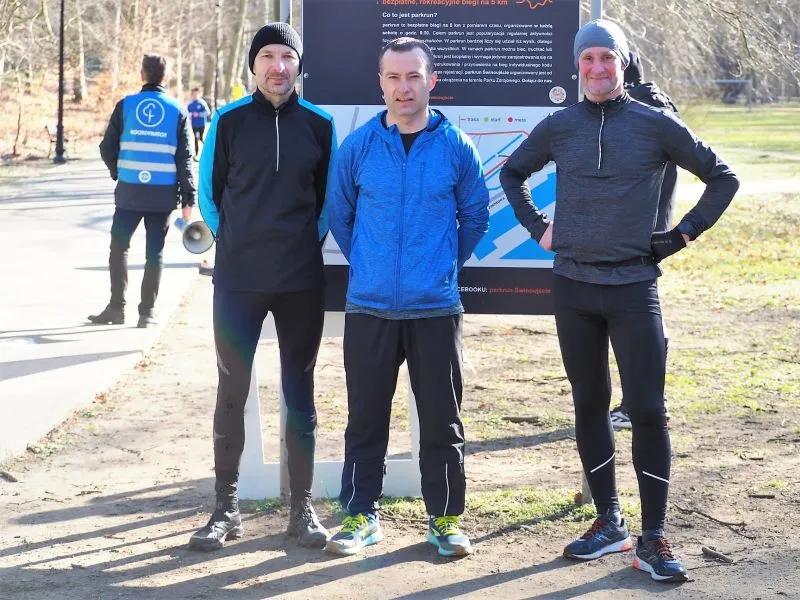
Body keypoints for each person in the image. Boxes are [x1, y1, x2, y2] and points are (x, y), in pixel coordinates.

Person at [499, 20, 739, 582]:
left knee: (649, 410)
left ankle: (653, 537)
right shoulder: (560, 126)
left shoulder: (656, 125)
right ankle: (609, 522)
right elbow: (512, 173)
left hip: (633, 288)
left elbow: (722, 178)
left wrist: (682, 234)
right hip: (574, 288)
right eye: (587, 59)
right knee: (589, 405)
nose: (597, 68)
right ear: (577, 67)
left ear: (623, 62)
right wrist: (539, 229)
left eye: (606, 57)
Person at [325, 37, 490, 558]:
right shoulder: (359, 147)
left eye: (413, 76)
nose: (404, 87)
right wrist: (371, 264)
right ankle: (360, 515)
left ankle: (445, 519)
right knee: (365, 418)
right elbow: (340, 216)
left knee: (442, 420)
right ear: (380, 83)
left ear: (431, 81)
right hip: (369, 306)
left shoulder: (456, 146)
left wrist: (438, 266)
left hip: (435, 308)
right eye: (393, 77)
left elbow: (476, 216)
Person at [188, 23, 336, 551]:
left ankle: (302, 509)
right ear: (253, 65)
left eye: (287, 56)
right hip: (238, 279)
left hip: (300, 280)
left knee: (300, 390)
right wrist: (238, 243)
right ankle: (225, 509)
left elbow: (327, 204)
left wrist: (297, 244)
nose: (278, 66)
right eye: (268, 56)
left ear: (299, 65)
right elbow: (209, 197)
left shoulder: (320, 125)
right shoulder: (227, 121)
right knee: (231, 389)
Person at [91, 54, 195, 329]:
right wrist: (189, 198)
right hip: (162, 195)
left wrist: (118, 172)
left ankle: (116, 308)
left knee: (118, 248)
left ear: (142, 75)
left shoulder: (126, 106)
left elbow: (106, 147)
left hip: (129, 193)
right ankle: (146, 313)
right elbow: (184, 159)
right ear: (166, 77)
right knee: (154, 254)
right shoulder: (177, 111)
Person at [609, 51, 680, 430]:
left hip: (635, 234)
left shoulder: (638, 112)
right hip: (651, 229)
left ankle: (640, 406)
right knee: (644, 315)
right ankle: (643, 403)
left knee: (637, 320)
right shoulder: (657, 105)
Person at [187, 87, 211, 159]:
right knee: (195, 138)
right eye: (193, 94)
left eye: (196, 94)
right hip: (194, 124)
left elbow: (207, 112)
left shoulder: (202, 103)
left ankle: (208, 150)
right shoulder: (190, 104)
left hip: (201, 124)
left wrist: (199, 114)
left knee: (201, 138)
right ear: (191, 95)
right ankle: (196, 155)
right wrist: (191, 115)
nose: (195, 96)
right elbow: (187, 114)